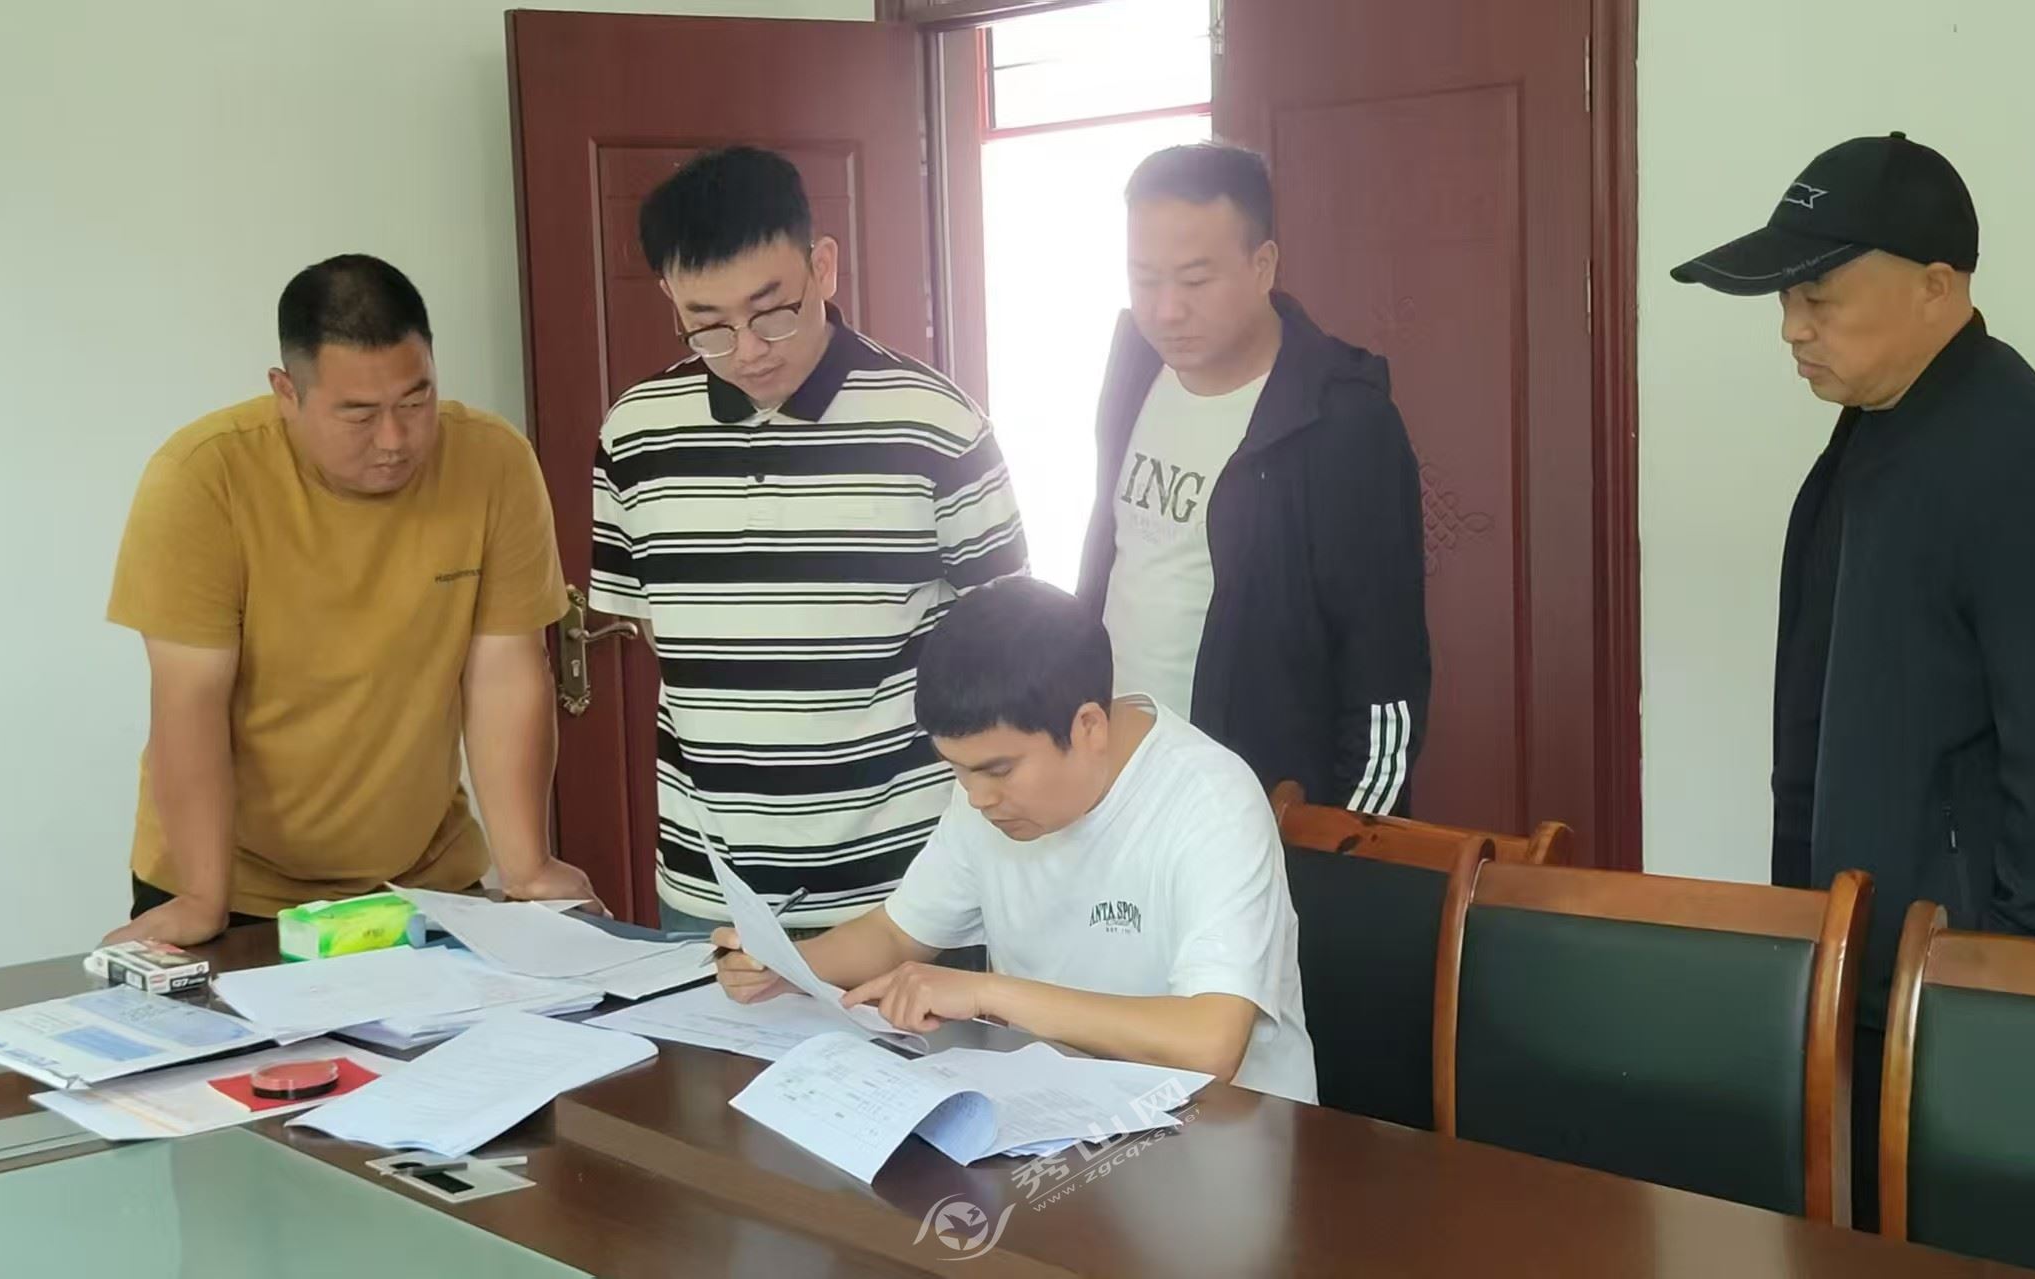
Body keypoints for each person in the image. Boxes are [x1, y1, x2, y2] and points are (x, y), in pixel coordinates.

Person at [1673, 131, 2035, 1226]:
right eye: (1785, 297)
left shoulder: (2019, 460)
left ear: (1935, 286)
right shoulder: (1876, 430)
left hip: (1960, 1009)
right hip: (1860, 969)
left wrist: (1999, 1002)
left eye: (1818, 295)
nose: (1790, 327)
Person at [591, 147, 1030, 934]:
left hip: (912, 890)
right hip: (709, 892)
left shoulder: (935, 425)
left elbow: (1002, 646)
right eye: (708, 324)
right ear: (670, 301)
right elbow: (662, 634)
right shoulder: (635, 435)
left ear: (822, 266)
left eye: (772, 311)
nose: (747, 349)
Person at [103, 255, 595, 945]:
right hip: (237, 884)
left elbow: (506, 673)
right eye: (358, 414)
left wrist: (528, 866)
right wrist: (201, 898)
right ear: (286, 391)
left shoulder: (493, 463)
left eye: (415, 402)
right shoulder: (204, 477)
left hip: (423, 880)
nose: (394, 440)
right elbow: (190, 701)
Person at [710, 577, 1317, 1102]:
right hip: (1058, 1114)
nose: (977, 797)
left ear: (1088, 726)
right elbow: (898, 933)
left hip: (1229, 1135)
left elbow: (1210, 1044)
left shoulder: (1209, 801)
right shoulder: (986, 794)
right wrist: (785, 966)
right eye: (957, 770)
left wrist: (985, 993)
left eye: (998, 771)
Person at [1076, 143, 1429, 816]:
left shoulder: (1341, 422)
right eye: (1144, 279)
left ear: (1262, 265)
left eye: (1194, 280)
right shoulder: (1135, 367)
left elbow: (1384, 676)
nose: (1166, 310)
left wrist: (1347, 846)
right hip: (1111, 784)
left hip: (1248, 809)